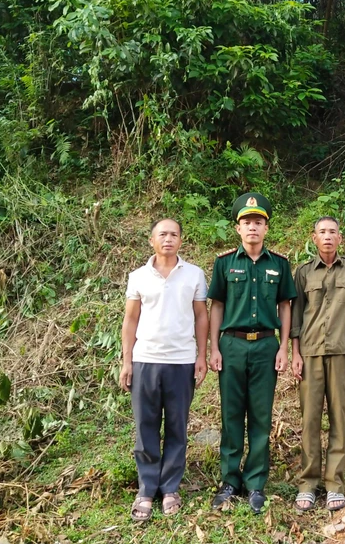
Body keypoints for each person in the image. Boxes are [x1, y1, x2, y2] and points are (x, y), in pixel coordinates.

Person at [208, 192, 296, 515]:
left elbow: (285, 307)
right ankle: (230, 481)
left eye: (258, 222)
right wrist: (213, 347)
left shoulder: (280, 265)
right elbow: (216, 305)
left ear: (266, 228)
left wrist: (284, 346)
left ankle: (256, 482)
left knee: (260, 416)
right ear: (238, 228)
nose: (253, 228)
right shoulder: (224, 263)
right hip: (231, 345)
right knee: (231, 415)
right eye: (247, 223)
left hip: (264, 346)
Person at [120, 218, 209, 522]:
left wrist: (201, 355)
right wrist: (127, 360)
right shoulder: (138, 277)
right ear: (152, 240)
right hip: (145, 359)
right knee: (145, 427)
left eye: (173, 234)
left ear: (181, 240)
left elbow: (201, 317)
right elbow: (130, 320)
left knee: (176, 427)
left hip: (181, 361)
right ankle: (147, 488)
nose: (168, 239)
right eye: (162, 234)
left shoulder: (194, 275)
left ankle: (170, 487)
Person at [290, 216, 345, 513]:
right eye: (322, 232)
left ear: (340, 238)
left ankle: (334, 483)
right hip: (309, 354)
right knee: (310, 420)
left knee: (339, 419)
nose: (327, 237)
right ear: (314, 238)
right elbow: (296, 317)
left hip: (342, 355)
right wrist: (295, 353)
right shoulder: (303, 273)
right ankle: (308, 483)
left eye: (332, 232)